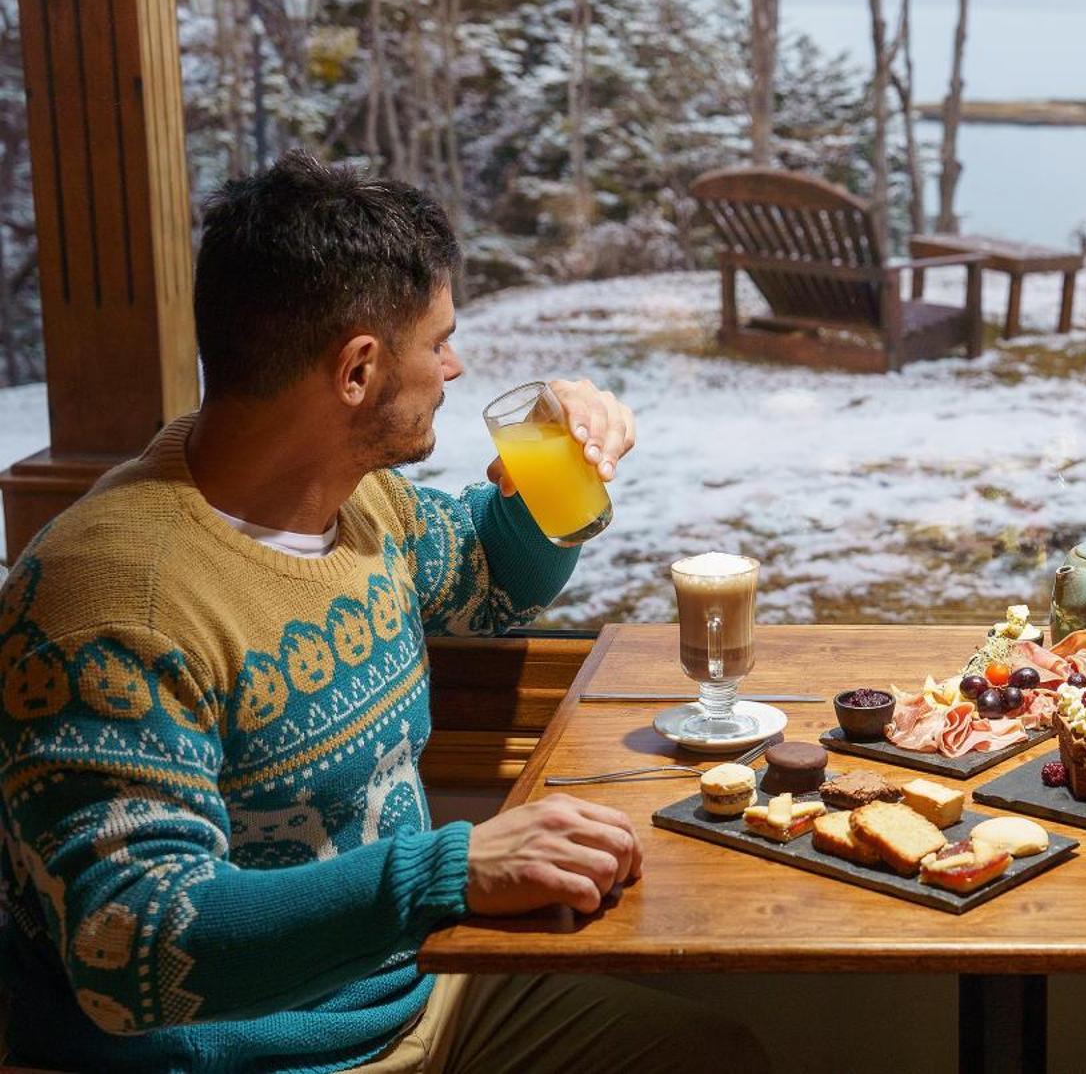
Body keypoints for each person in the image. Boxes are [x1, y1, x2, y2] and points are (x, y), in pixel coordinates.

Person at [0, 152, 766, 1073]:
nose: (456, 363)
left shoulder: (362, 507)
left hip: (415, 985)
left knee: (712, 1052)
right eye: (437, 339)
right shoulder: (110, 601)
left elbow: (491, 577)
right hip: (258, 1058)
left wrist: (553, 476)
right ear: (358, 369)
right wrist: (445, 873)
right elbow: (130, 943)